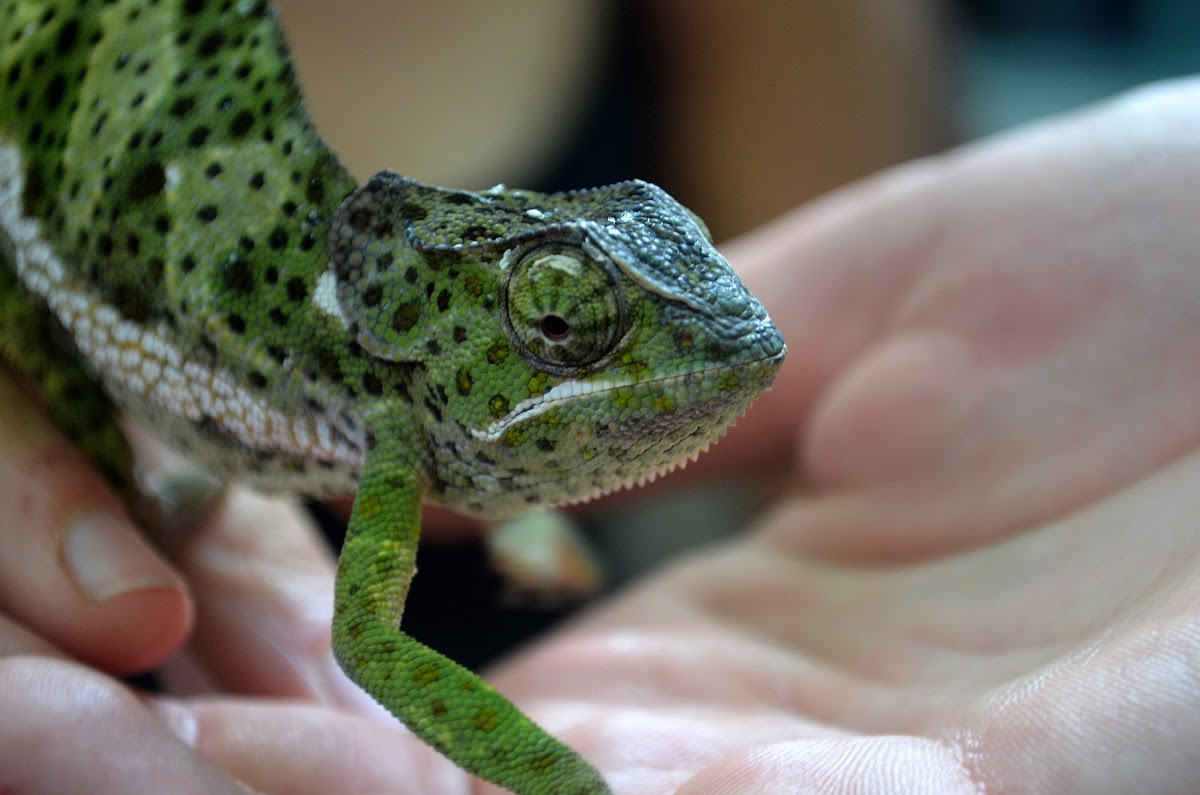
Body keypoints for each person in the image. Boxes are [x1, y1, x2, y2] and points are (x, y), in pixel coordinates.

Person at [3, 76, 1198, 793]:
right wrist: (556, 779)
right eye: (565, 320)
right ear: (439, 336)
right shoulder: (382, 407)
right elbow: (365, 645)